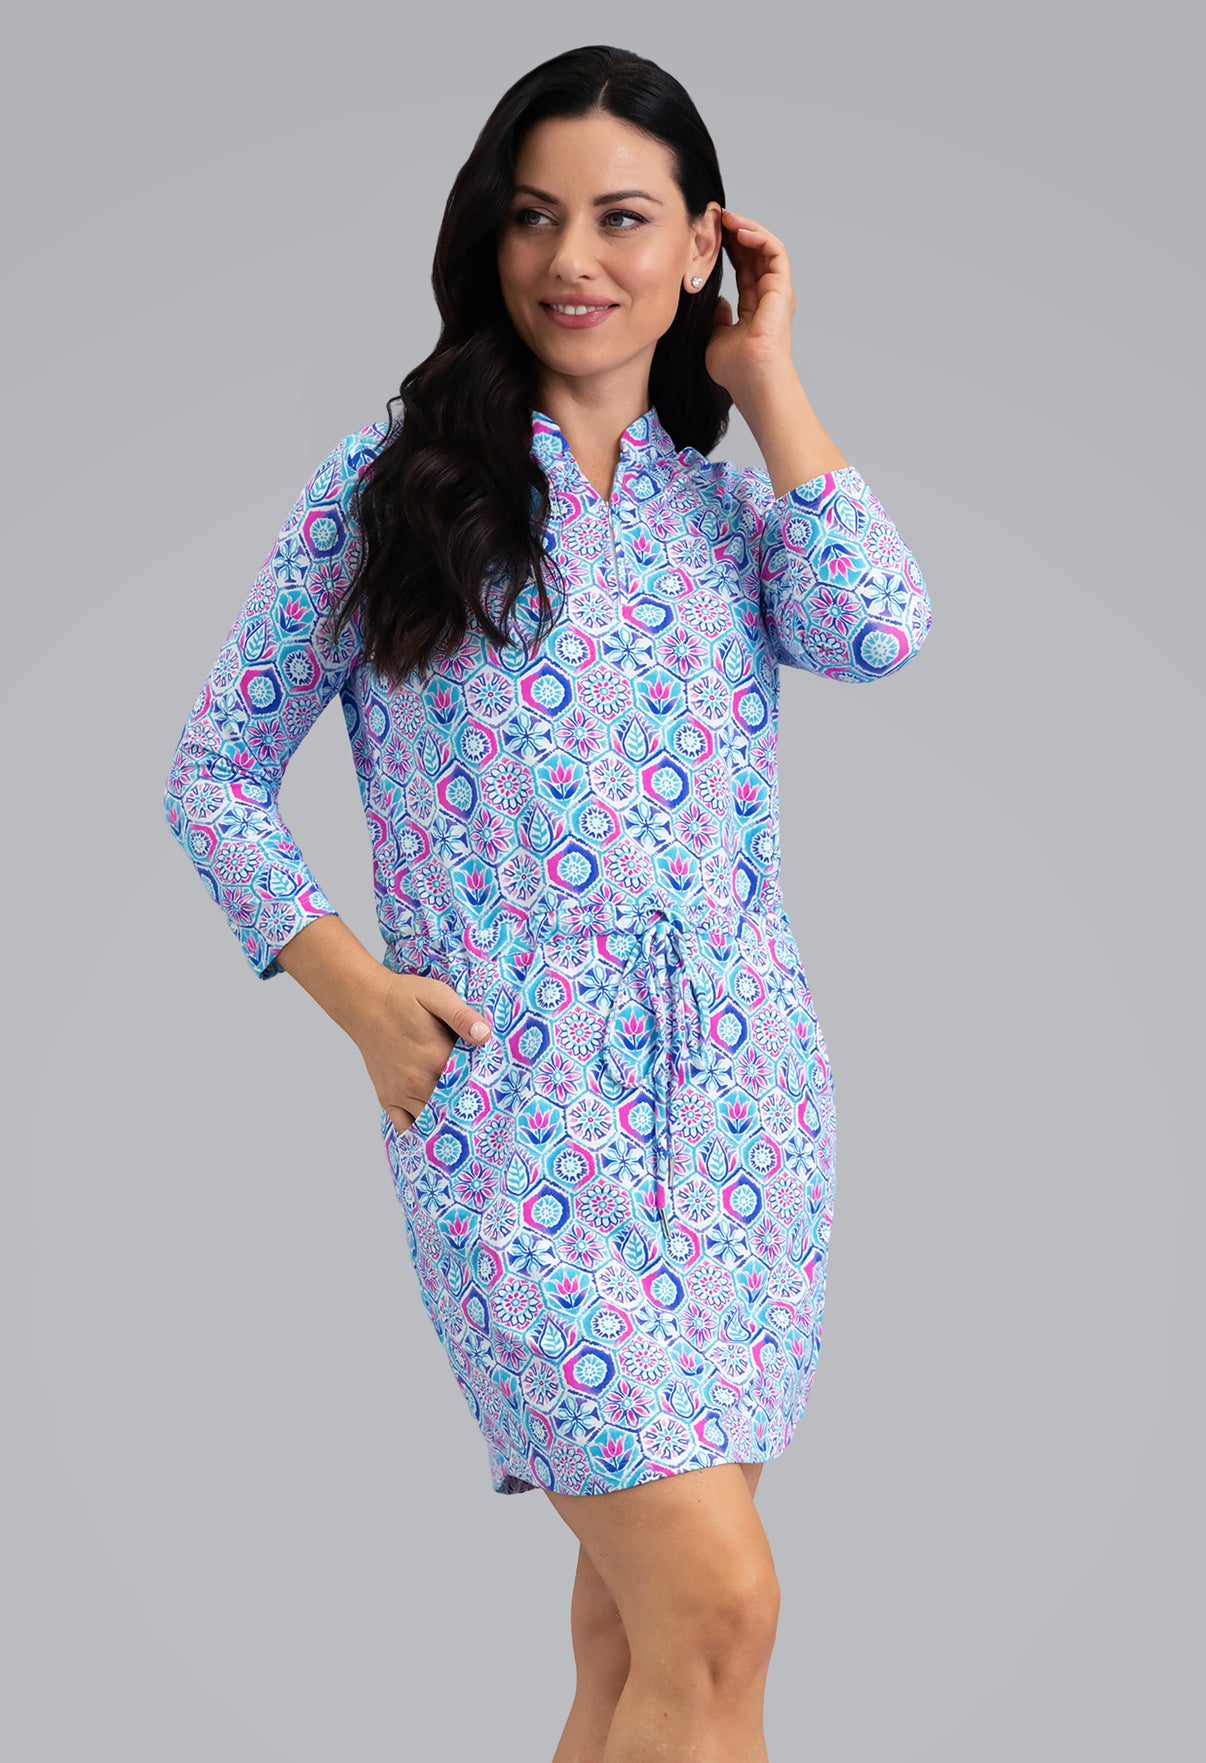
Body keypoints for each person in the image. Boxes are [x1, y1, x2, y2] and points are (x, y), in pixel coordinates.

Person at [163, 41, 932, 1763]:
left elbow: (879, 626)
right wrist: (359, 996)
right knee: (717, 1611)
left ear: (700, 244)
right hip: (520, 1116)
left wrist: (765, 373)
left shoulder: (721, 509)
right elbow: (212, 771)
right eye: (531, 216)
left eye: (621, 218)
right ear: (486, 237)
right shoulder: (396, 488)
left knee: (629, 1642)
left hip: (741, 1111)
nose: (571, 259)